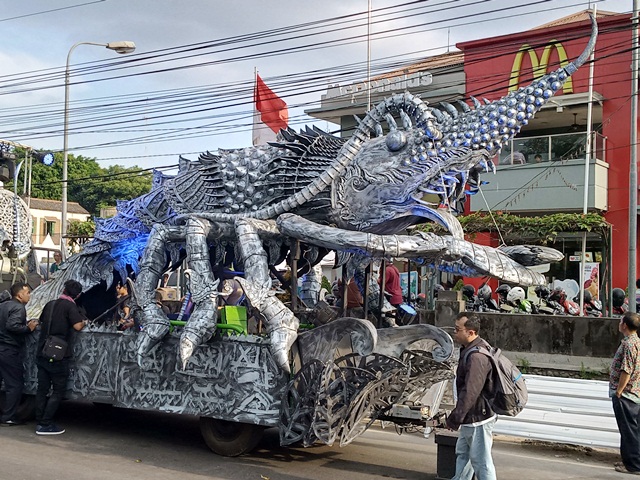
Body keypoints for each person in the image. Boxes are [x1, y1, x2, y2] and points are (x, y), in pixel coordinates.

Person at [446, 313, 497, 480]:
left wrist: (455, 418)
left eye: (457, 329)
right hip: (471, 416)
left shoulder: (477, 357)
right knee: (464, 456)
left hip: (478, 418)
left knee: (481, 462)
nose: (455, 332)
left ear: (471, 332)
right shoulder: (471, 350)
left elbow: (470, 391)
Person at [35, 279, 86, 435]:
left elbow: (41, 322)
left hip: (42, 351)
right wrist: (83, 321)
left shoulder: (50, 304)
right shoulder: (70, 306)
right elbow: (77, 326)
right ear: (77, 295)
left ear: (64, 289)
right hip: (58, 354)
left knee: (42, 389)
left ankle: (39, 421)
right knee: (58, 391)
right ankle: (46, 424)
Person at [0, 283, 36, 426]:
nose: (29, 296)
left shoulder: (3, 305)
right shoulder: (19, 308)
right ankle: (8, 417)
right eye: (27, 293)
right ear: (19, 295)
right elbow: (12, 325)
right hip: (9, 350)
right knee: (14, 385)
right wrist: (28, 328)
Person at [610, 312, 640, 475]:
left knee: (628, 431)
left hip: (626, 394)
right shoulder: (637, 342)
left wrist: (619, 391)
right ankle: (632, 461)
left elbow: (626, 370)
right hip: (635, 392)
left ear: (625, 326)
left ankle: (633, 465)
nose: (619, 323)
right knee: (634, 430)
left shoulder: (629, 345)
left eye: (621, 321)